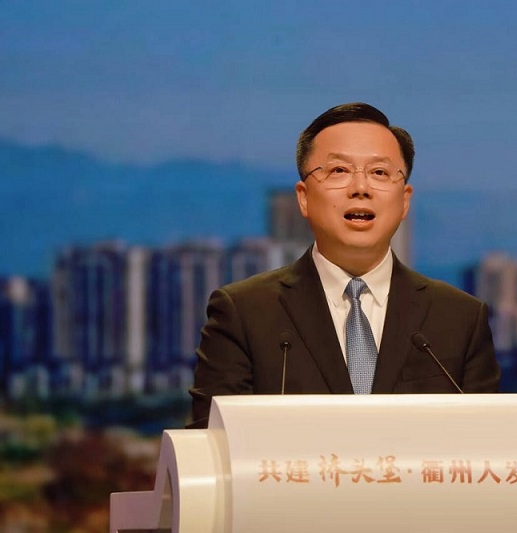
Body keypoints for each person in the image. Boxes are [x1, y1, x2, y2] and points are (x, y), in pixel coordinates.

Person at [188, 102, 499, 428]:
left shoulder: (459, 319)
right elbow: (209, 444)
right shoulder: (244, 313)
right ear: (304, 198)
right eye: (339, 171)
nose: (360, 189)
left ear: (404, 200)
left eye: (379, 173)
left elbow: (487, 444)